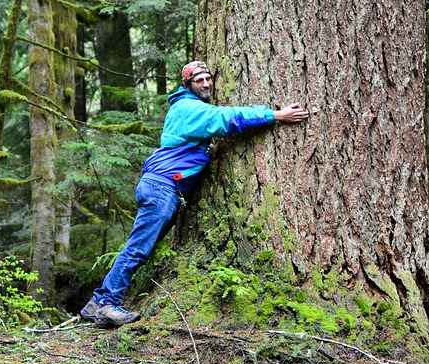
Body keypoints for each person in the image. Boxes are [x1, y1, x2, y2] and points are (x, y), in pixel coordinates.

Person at [80, 61, 310, 326]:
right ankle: (107, 302)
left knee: (139, 247)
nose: (206, 83)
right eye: (198, 80)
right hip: (161, 187)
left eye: (208, 78)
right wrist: (275, 115)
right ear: (187, 85)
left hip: (163, 187)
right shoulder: (188, 108)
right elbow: (227, 119)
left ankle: (96, 304)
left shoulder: (187, 108)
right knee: (138, 249)